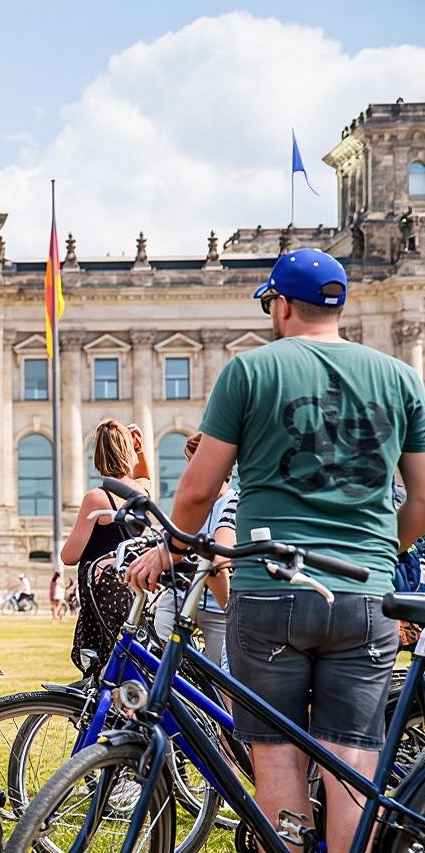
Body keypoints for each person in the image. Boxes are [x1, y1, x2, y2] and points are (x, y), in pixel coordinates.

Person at [127, 248, 425, 850]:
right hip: (367, 596)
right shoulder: (400, 377)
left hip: (270, 591)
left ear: (281, 305)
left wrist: (177, 546)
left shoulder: (250, 371)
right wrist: (376, 553)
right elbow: (421, 501)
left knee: (278, 758)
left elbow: (196, 492)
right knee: (351, 763)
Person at [62, 419, 151, 672]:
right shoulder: (141, 494)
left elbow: (69, 556)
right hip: (131, 591)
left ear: (98, 455)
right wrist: (140, 449)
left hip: (103, 595)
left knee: (103, 669)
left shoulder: (97, 498)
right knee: (129, 665)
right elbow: (144, 476)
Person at [150, 432, 237, 666]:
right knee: (156, 655)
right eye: (190, 464)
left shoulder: (232, 503)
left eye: (196, 464)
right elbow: (165, 540)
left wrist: (232, 611)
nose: (191, 471)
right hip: (183, 599)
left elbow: (218, 561)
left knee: (224, 684)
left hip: (219, 605)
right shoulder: (193, 507)